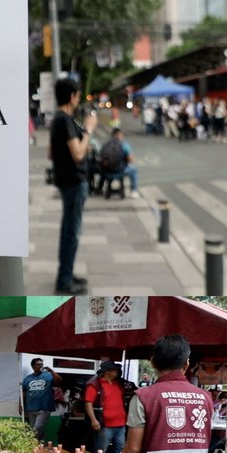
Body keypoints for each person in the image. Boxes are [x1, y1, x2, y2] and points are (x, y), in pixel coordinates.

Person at [50, 77, 98, 295]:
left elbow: (52, 152)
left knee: (68, 230)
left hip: (66, 180)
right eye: (78, 95)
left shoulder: (57, 120)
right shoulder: (65, 120)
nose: (78, 99)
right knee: (72, 232)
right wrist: (88, 130)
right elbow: (78, 153)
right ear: (72, 96)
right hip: (73, 182)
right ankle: (64, 280)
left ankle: (66, 273)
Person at [84, 360, 128, 453]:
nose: (118, 372)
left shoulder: (118, 384)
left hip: (121, 424)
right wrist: (93, 420)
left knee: (120, 451)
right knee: (100, 452)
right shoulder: (95, 385)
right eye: (115, 370)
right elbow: (88, 403)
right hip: (105, 425)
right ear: (107, 372)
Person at [21, 358, 62, 443]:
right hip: (31, 408)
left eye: (41, 364)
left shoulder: (48, 375)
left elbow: (59, 381)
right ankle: (41, 446)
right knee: (36, 429)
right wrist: (20, 405)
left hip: (44, 408)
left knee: (37, 428)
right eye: (38, 364)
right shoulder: (28, 378)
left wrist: (51, 370)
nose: (40, 366)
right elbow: (23, 393)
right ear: (33, 366)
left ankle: (32, 444)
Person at [98, 128, 140, 200]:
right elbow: (130, 160)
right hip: (120, 171)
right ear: (118, 135)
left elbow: (101, 159)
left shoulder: (105, 145)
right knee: (134, 170)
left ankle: (99, 188)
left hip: (106, 172)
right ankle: (134, 191)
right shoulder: (124, 145)